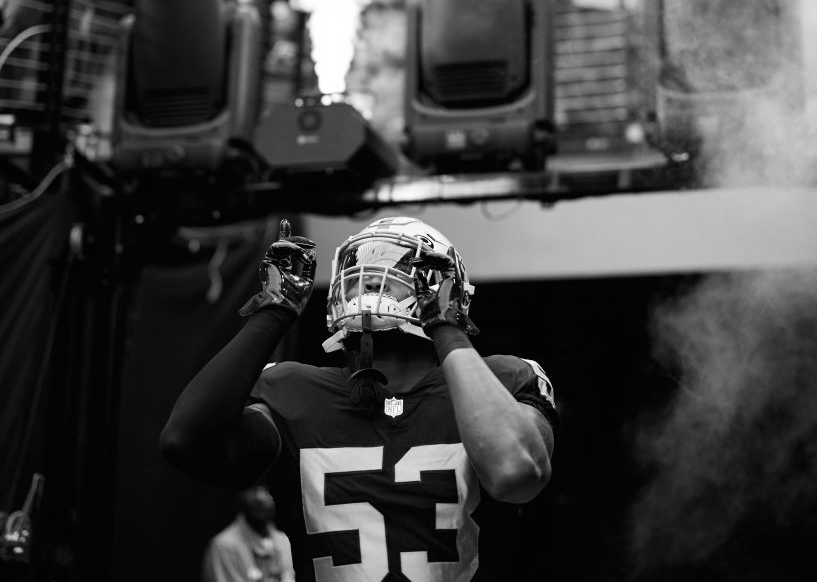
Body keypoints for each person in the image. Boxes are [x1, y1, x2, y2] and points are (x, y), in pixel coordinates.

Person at [161, 216, 557, 581]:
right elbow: (186, 441)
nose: (369, 281)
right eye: (360, 268)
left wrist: (448, 331)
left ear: (447, 288)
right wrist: (273, 313)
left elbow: (515, 474)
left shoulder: (498, 381)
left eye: (401, 269)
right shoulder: (294, 391)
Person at [202, 484, 295, 582]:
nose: (260, 497)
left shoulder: (285, 543)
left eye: (267, 489)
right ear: (241, 493)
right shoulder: (224, 546)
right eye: (252, 488)